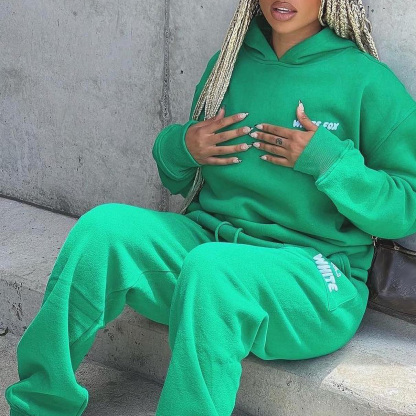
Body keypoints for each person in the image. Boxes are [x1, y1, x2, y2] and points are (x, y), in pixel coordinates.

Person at [5, 0, 416, 415]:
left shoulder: (368, 81)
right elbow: (180, 178)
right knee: (102, 229)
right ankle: (40, 404)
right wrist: (184, 146)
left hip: (314, 278)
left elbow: (405, 207)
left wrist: (330, 162)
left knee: (213, 269)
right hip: (209, 247)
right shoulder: (228, 65)